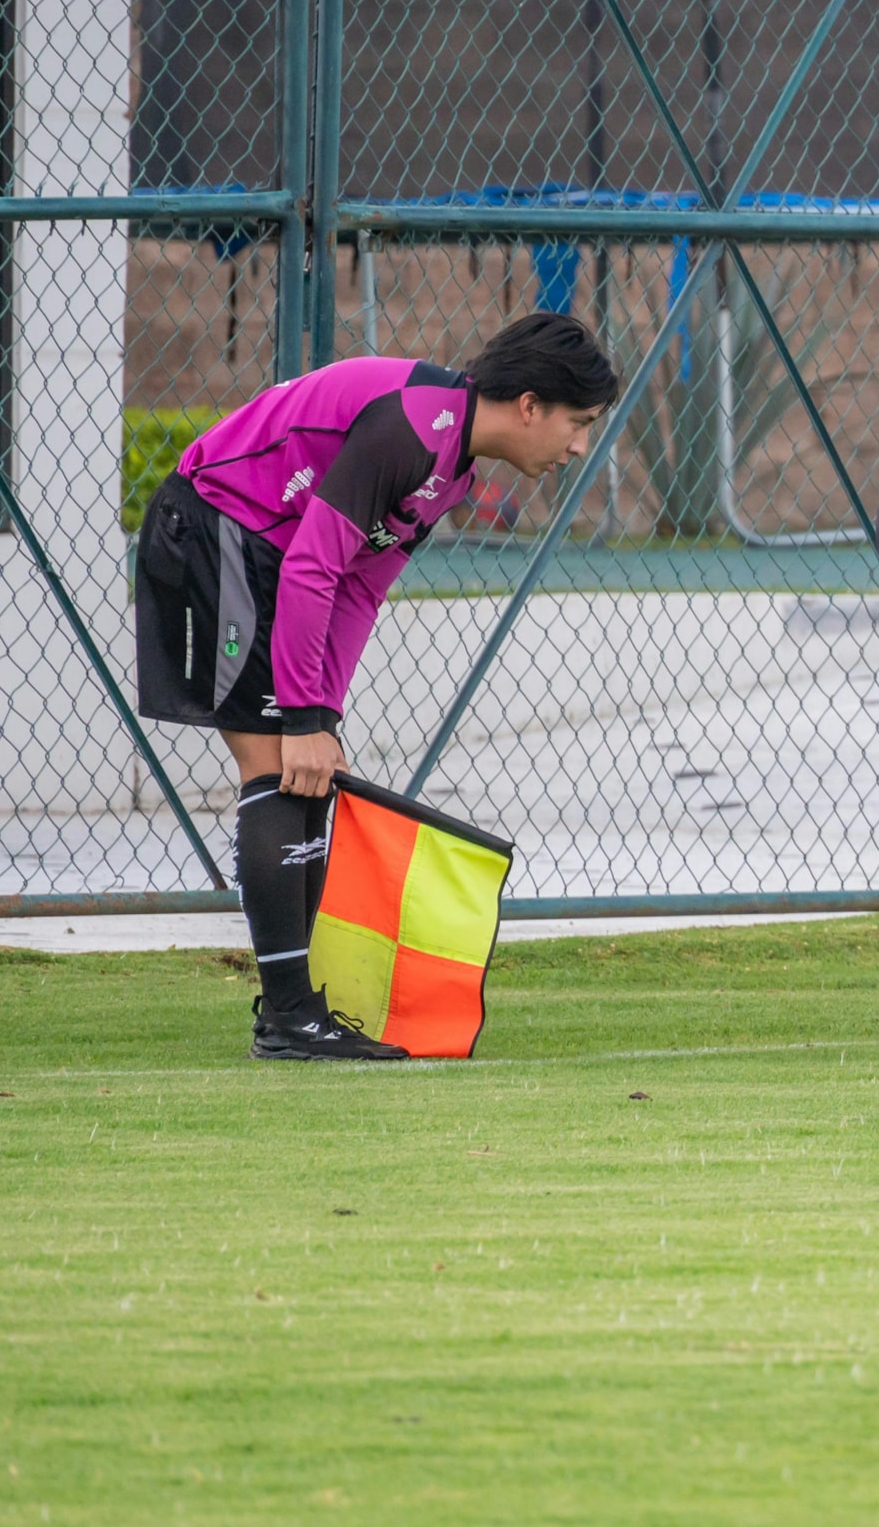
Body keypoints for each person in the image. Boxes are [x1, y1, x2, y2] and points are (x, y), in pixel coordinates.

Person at [132, 313, 616, 1060]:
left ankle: (293, 1014)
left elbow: (358, 590)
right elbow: (313, 566)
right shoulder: (413, 431)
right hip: (215, 527)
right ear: (529, 405)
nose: (579, 446)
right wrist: (300, 718)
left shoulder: (450, 469)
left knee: (306, 775)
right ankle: (290, 1018)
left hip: (262, 551)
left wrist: (322, 714)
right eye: (577, 422)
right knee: (274, 765)